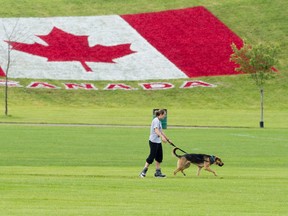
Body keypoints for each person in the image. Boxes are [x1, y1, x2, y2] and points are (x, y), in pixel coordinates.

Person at [139, 109, 170, 178]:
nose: (165, 116)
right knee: (151, 156)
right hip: (153, 141)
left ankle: (158, 173)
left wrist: (168, 139)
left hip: (158, 141)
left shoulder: (159, 121)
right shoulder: (155, 120)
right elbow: (156, 130)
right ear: (161, 114)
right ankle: (143, 171)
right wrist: (162, 138)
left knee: (159, 157)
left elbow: (161, 131)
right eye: (164, 115)